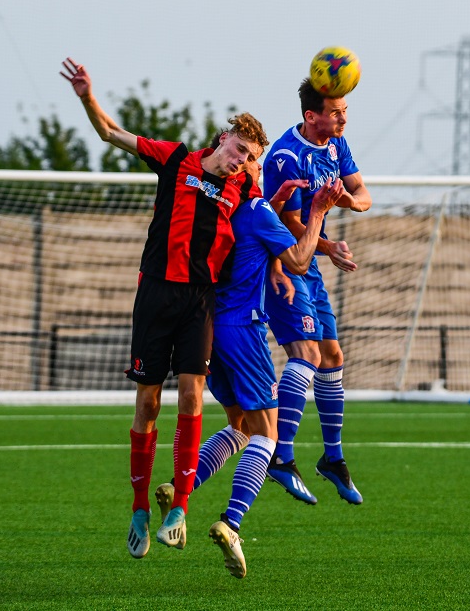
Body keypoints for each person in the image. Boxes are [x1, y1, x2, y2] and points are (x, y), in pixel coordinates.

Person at [60, 58, 267, 559]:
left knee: (193, 397)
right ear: (221, 139)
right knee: (149, 403)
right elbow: (110, 132)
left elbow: (268, 219)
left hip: (201, 301)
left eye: (249, 157)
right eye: (239, 150)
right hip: (155, 294)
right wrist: (88, 94)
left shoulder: (244, 189)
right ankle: (138, 508)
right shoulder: (176, 160)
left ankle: (181, 510)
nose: (240, 161)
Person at [154, 172, 345, 578]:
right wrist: (315, 212)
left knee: (239, 425)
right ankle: (231, 522)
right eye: (254, 164)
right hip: (244, 328)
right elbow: (300, 260)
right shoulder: (257, 209)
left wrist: (273, 221)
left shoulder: (221, 208)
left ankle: (178, 486)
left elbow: (254, 238)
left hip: (207, 326)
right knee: (267, 434)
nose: (255, 171)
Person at [262, 78, 372, 506]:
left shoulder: (336, 145)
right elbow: (287, 226)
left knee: (333, 357)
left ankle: (333, 458)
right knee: (306, 355)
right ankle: (281, 457)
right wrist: (327, 243)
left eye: (345, 110)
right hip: (283, 267)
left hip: (310, 265)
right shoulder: (287, 157)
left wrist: (346, 200)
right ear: (312, 116)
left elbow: (364, 194)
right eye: (336, 111)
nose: (344, 118)